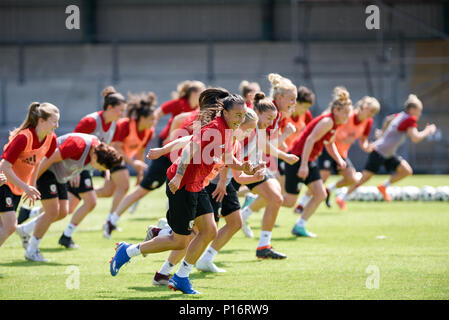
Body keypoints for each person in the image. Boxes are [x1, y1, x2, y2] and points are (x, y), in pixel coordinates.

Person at [109, 88, 252, 294]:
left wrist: (245, 167)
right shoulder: (216, 127)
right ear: (226, 113)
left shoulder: (228, 130)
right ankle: (128, 251)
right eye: (238, 115)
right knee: (179, 241)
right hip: (183, 184)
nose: (241, 118)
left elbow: (229, 158)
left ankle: (181, 277)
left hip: (197, 184)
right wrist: (177, 176)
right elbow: (189, 148)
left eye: (243, 115)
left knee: (209, 231)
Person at [16, 134, 122, 259]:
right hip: (46, 170)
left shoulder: (98, 150)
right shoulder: (77, 145)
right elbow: (48, 159)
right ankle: (32, 250)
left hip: (59, 176)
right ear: (95, 156)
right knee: (52, 212)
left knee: (63, 212)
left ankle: (25, 229)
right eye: (100, 167)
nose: (98, 170)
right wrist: (32, 183)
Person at [335, 94, 437, 208]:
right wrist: (428, 130)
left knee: (406, 170)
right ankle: (342, 198)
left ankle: (383, 186)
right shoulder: (410, 119)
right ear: (412, 110)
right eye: (419, 111)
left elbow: (388, 119)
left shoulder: (401, 115)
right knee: (364, 178)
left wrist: (382, 133)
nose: (420, 114)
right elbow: (415, 138)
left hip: (388, 153)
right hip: (379, 152)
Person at [233, 93, 299, 258]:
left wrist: (285, 156)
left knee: (276, 197)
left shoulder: (259, 126)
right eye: (268, 118)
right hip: (233, 171)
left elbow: (265, 146)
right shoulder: (244, 125)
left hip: (253, 169)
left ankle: (263, 246)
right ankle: (166, 229)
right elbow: (228, 151)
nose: (270, 122)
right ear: (257, 112)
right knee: (211, 220)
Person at [282, 87, 352, 237]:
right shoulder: (328, 121)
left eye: (349, 112)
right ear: (336, 110)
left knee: (320, 195)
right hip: (297, 158)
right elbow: (310, 140)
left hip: (308, 160)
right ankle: (260, 198)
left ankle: (299, 226)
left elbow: (329, 143)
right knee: (289, 202)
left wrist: (339, 159)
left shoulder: (335, 123)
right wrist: (303, 165)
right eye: (345, 112)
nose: (348, 115)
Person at [296, 96, 380, 212]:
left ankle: (330, 189)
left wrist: (367, 147)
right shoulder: (347, 115)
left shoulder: (368, 122)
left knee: (352, 179)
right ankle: (301, 204)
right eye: (370, 110)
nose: (371, 114)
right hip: (329, 148)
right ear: (363, 107)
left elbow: (363, 140)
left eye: (374, 112)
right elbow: (331, 132)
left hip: (342, 154)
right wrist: (343, 139)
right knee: (322, 177)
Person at [0, 102, 59, 263]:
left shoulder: (50, 139)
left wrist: (31, 184)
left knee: (4, 227)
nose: (57, 125)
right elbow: (4, 166)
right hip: (3, 182)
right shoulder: (23, 137)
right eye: (54, 121)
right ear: (41, 120)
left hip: (16, 187)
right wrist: (26, 187)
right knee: (11, 226)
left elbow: (38, 162)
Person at [102, 92, 157, 237]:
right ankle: (110, 222)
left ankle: (83, 193)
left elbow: (141, 151)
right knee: (124, 185)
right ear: (142, 118)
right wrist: (133, 163)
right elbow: (117, 147)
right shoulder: (125, 125)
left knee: (107, 191)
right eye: (151, 119)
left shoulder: (148, 131)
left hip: (122, 159)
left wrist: (140, 172)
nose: (154, 122)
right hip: (109, 156)